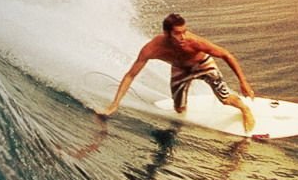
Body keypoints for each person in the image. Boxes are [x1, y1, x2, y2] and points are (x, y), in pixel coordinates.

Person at [99, 12, 260, 135]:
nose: (183, 37)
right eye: (178, 33)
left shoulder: (194, 42)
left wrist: (243, 82)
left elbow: (226, 54)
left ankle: (244, 109)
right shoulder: (152, 49)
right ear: (166, 33)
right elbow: (130, 75)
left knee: (225, 99)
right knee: (179, 109)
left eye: (184, 31)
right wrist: (115, 104)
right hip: (180, 71)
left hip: (203, 66)